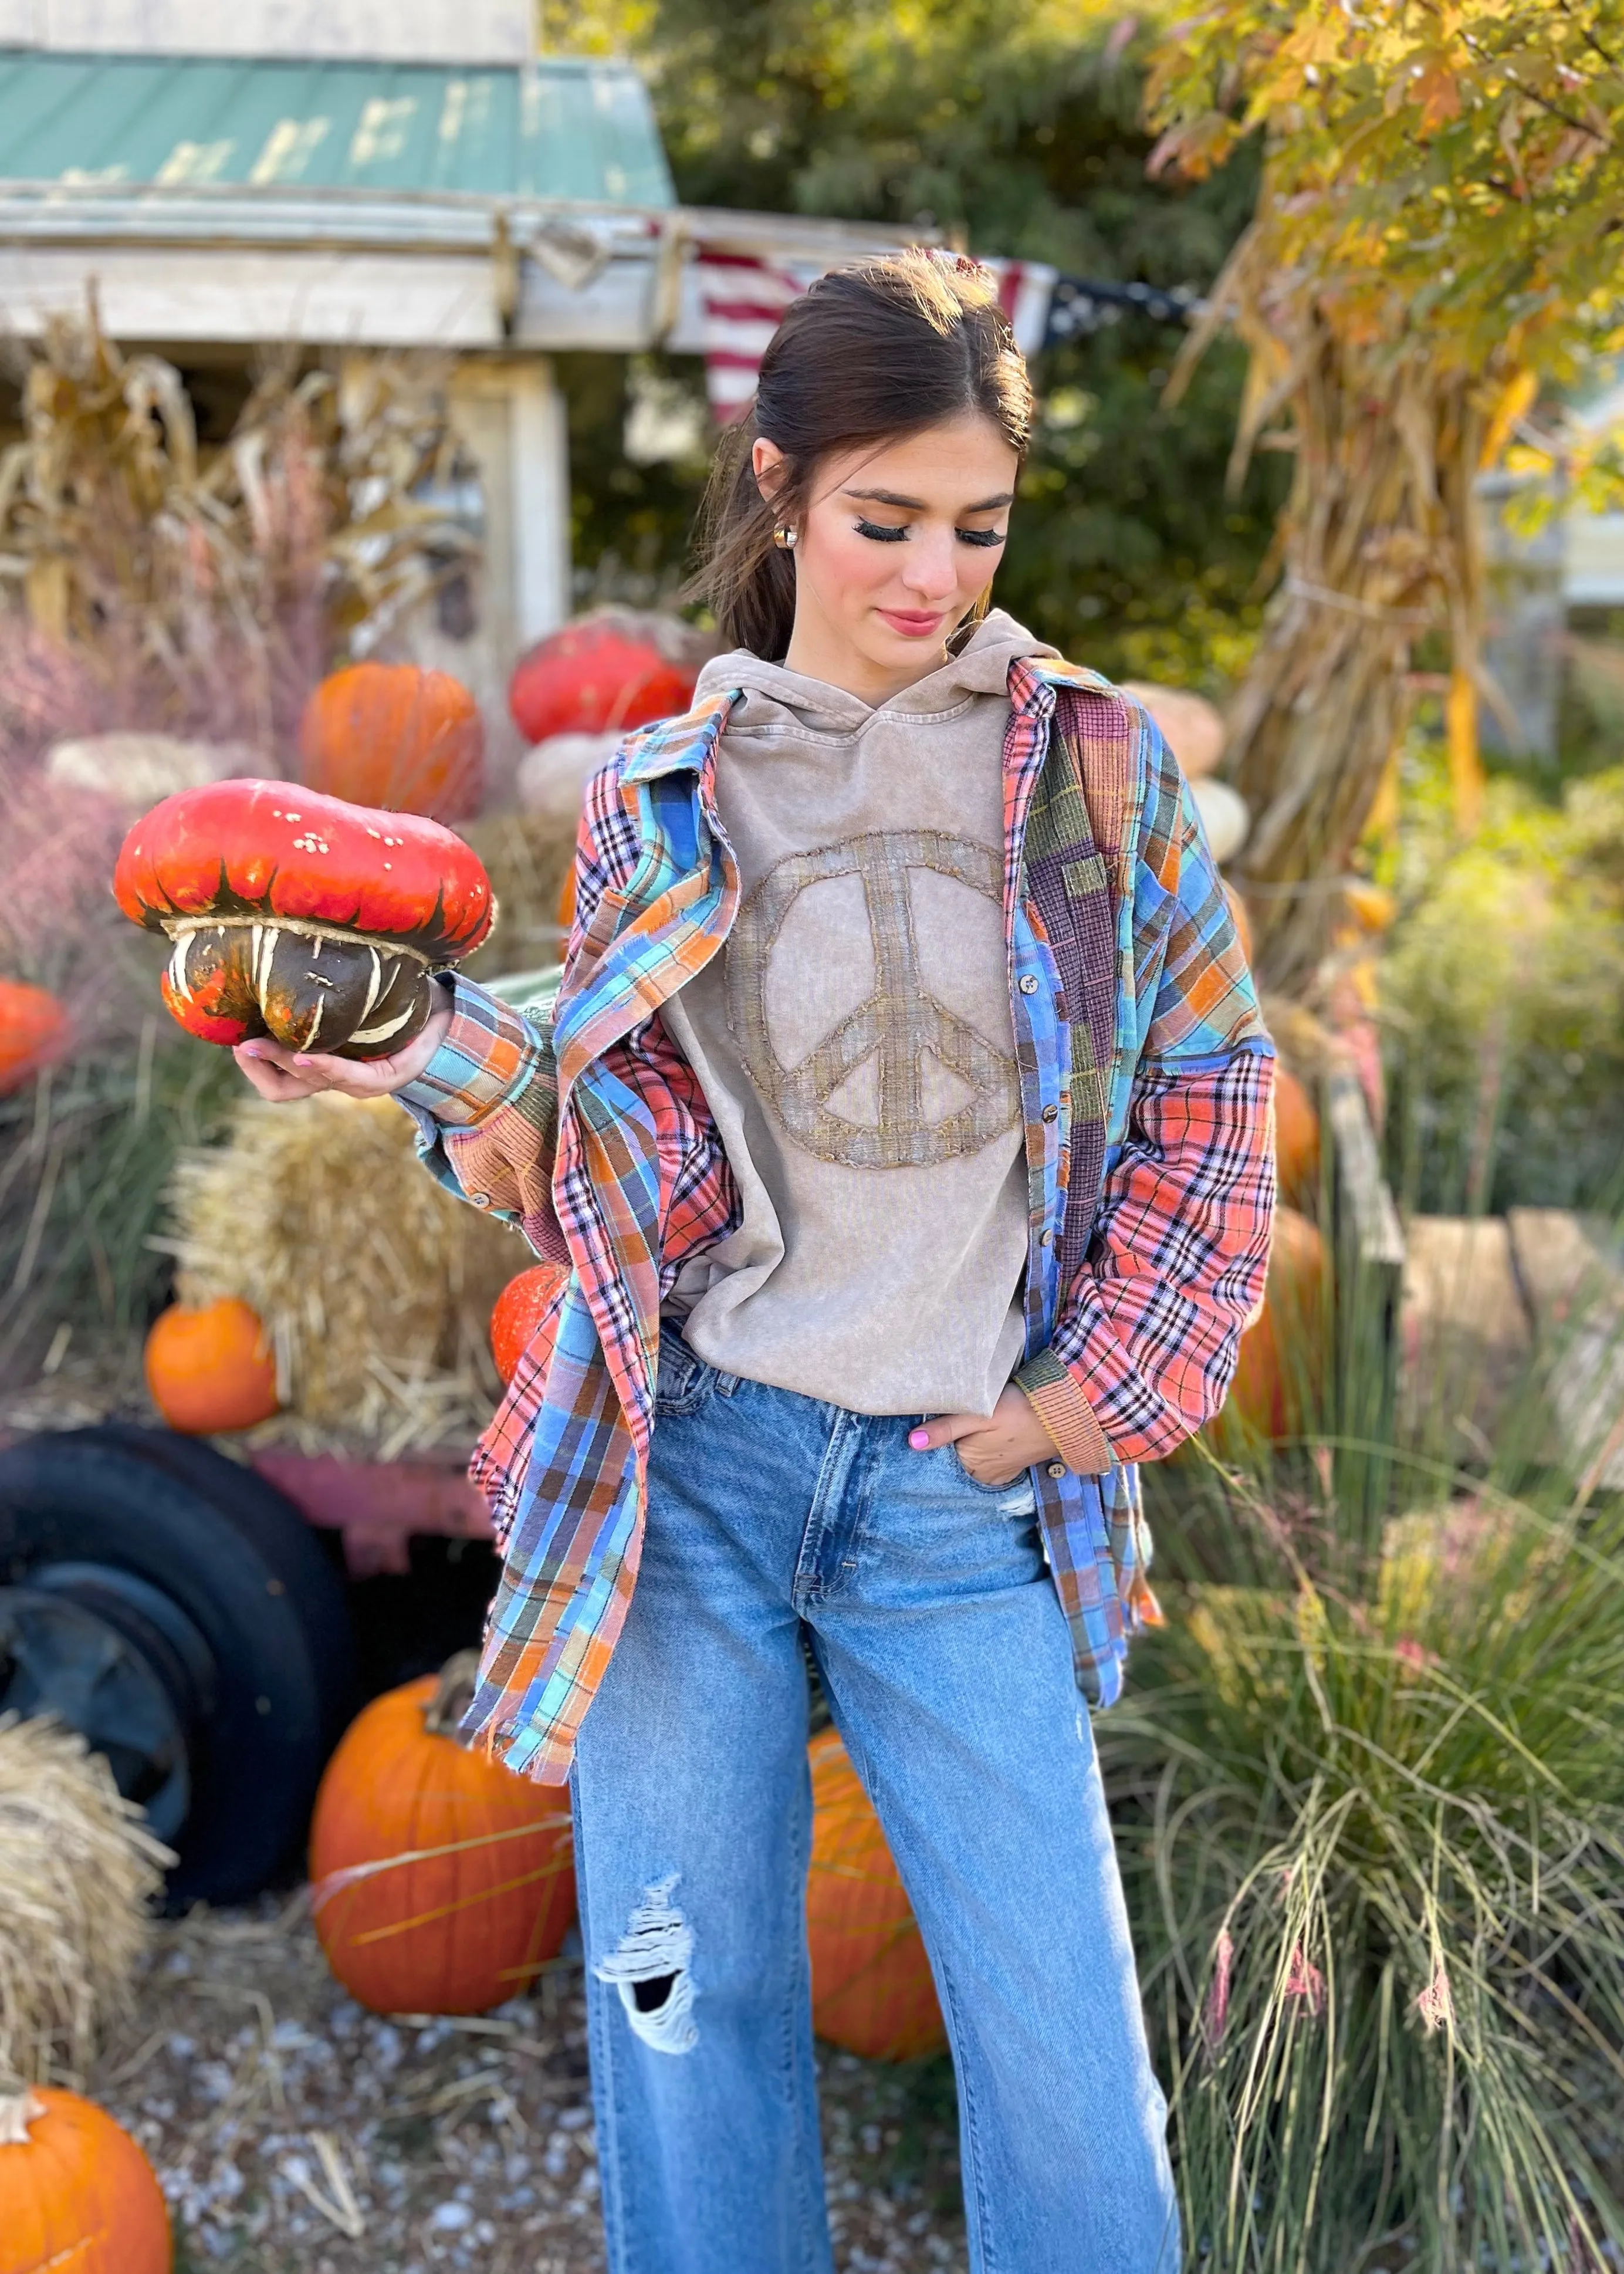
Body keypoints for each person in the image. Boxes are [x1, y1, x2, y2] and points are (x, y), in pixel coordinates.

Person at [237, 251, 1275, 2274]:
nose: (932, 576)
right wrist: (401, 1050)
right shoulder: (667, 794)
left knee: (1073, 2068)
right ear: (781, 488)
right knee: (685, 2018)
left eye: (976, 529)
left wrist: (1069, 1410)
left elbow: (1212, 1090)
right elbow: (619, 1140)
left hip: (954, 1495)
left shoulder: (1091, 779)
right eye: (885, 523)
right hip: (692, 1473)